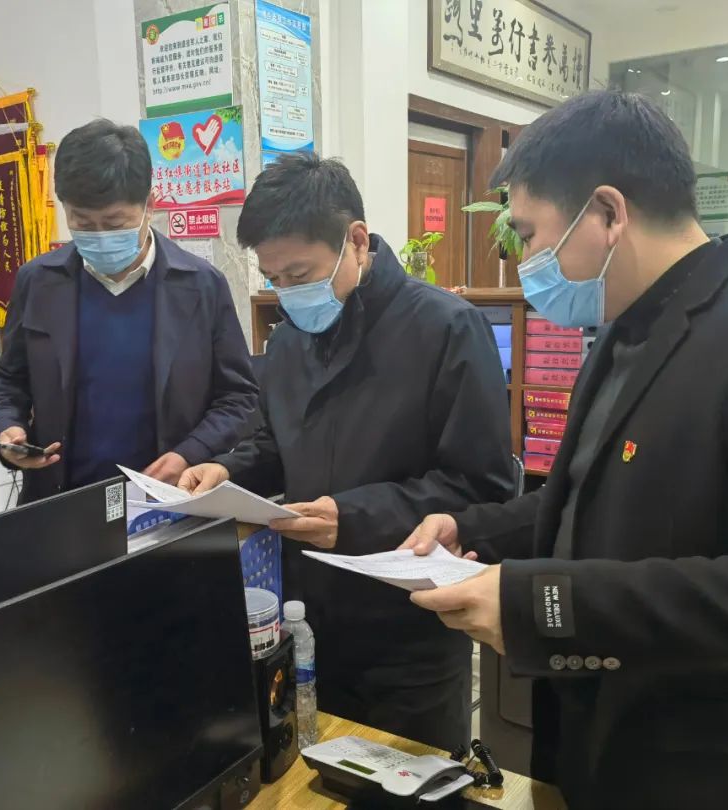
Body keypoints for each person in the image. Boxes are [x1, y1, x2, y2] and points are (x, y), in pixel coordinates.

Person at [402, 91, 728, 809]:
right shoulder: (623, 330)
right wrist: (471, 528)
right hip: (601, 746)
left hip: (715, 770)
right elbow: (591, 491)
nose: (526, 261)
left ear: (608, 212)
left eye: (530, 235)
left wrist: (545, 605)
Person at [179, 152, 513, 750]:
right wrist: (224, 469)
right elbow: (276, 443)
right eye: (275, 279)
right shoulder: (290, 343)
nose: (289, 293)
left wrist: (353, 517)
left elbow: (481, 485)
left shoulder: (446, 329)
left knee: (413, 777)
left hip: (407, 630)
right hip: (307, 617)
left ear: (356, 240)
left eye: (301, 273)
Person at [0, 120, 258, 503]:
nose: (99, 236)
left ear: (150, 204)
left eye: (115, 223)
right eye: (82, 223)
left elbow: (239, 397)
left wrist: (190, 452)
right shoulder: (39, 282)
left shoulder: (200, 286)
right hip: (60, 498)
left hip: (166, 500)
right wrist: (6, 426)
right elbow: (8, 378)